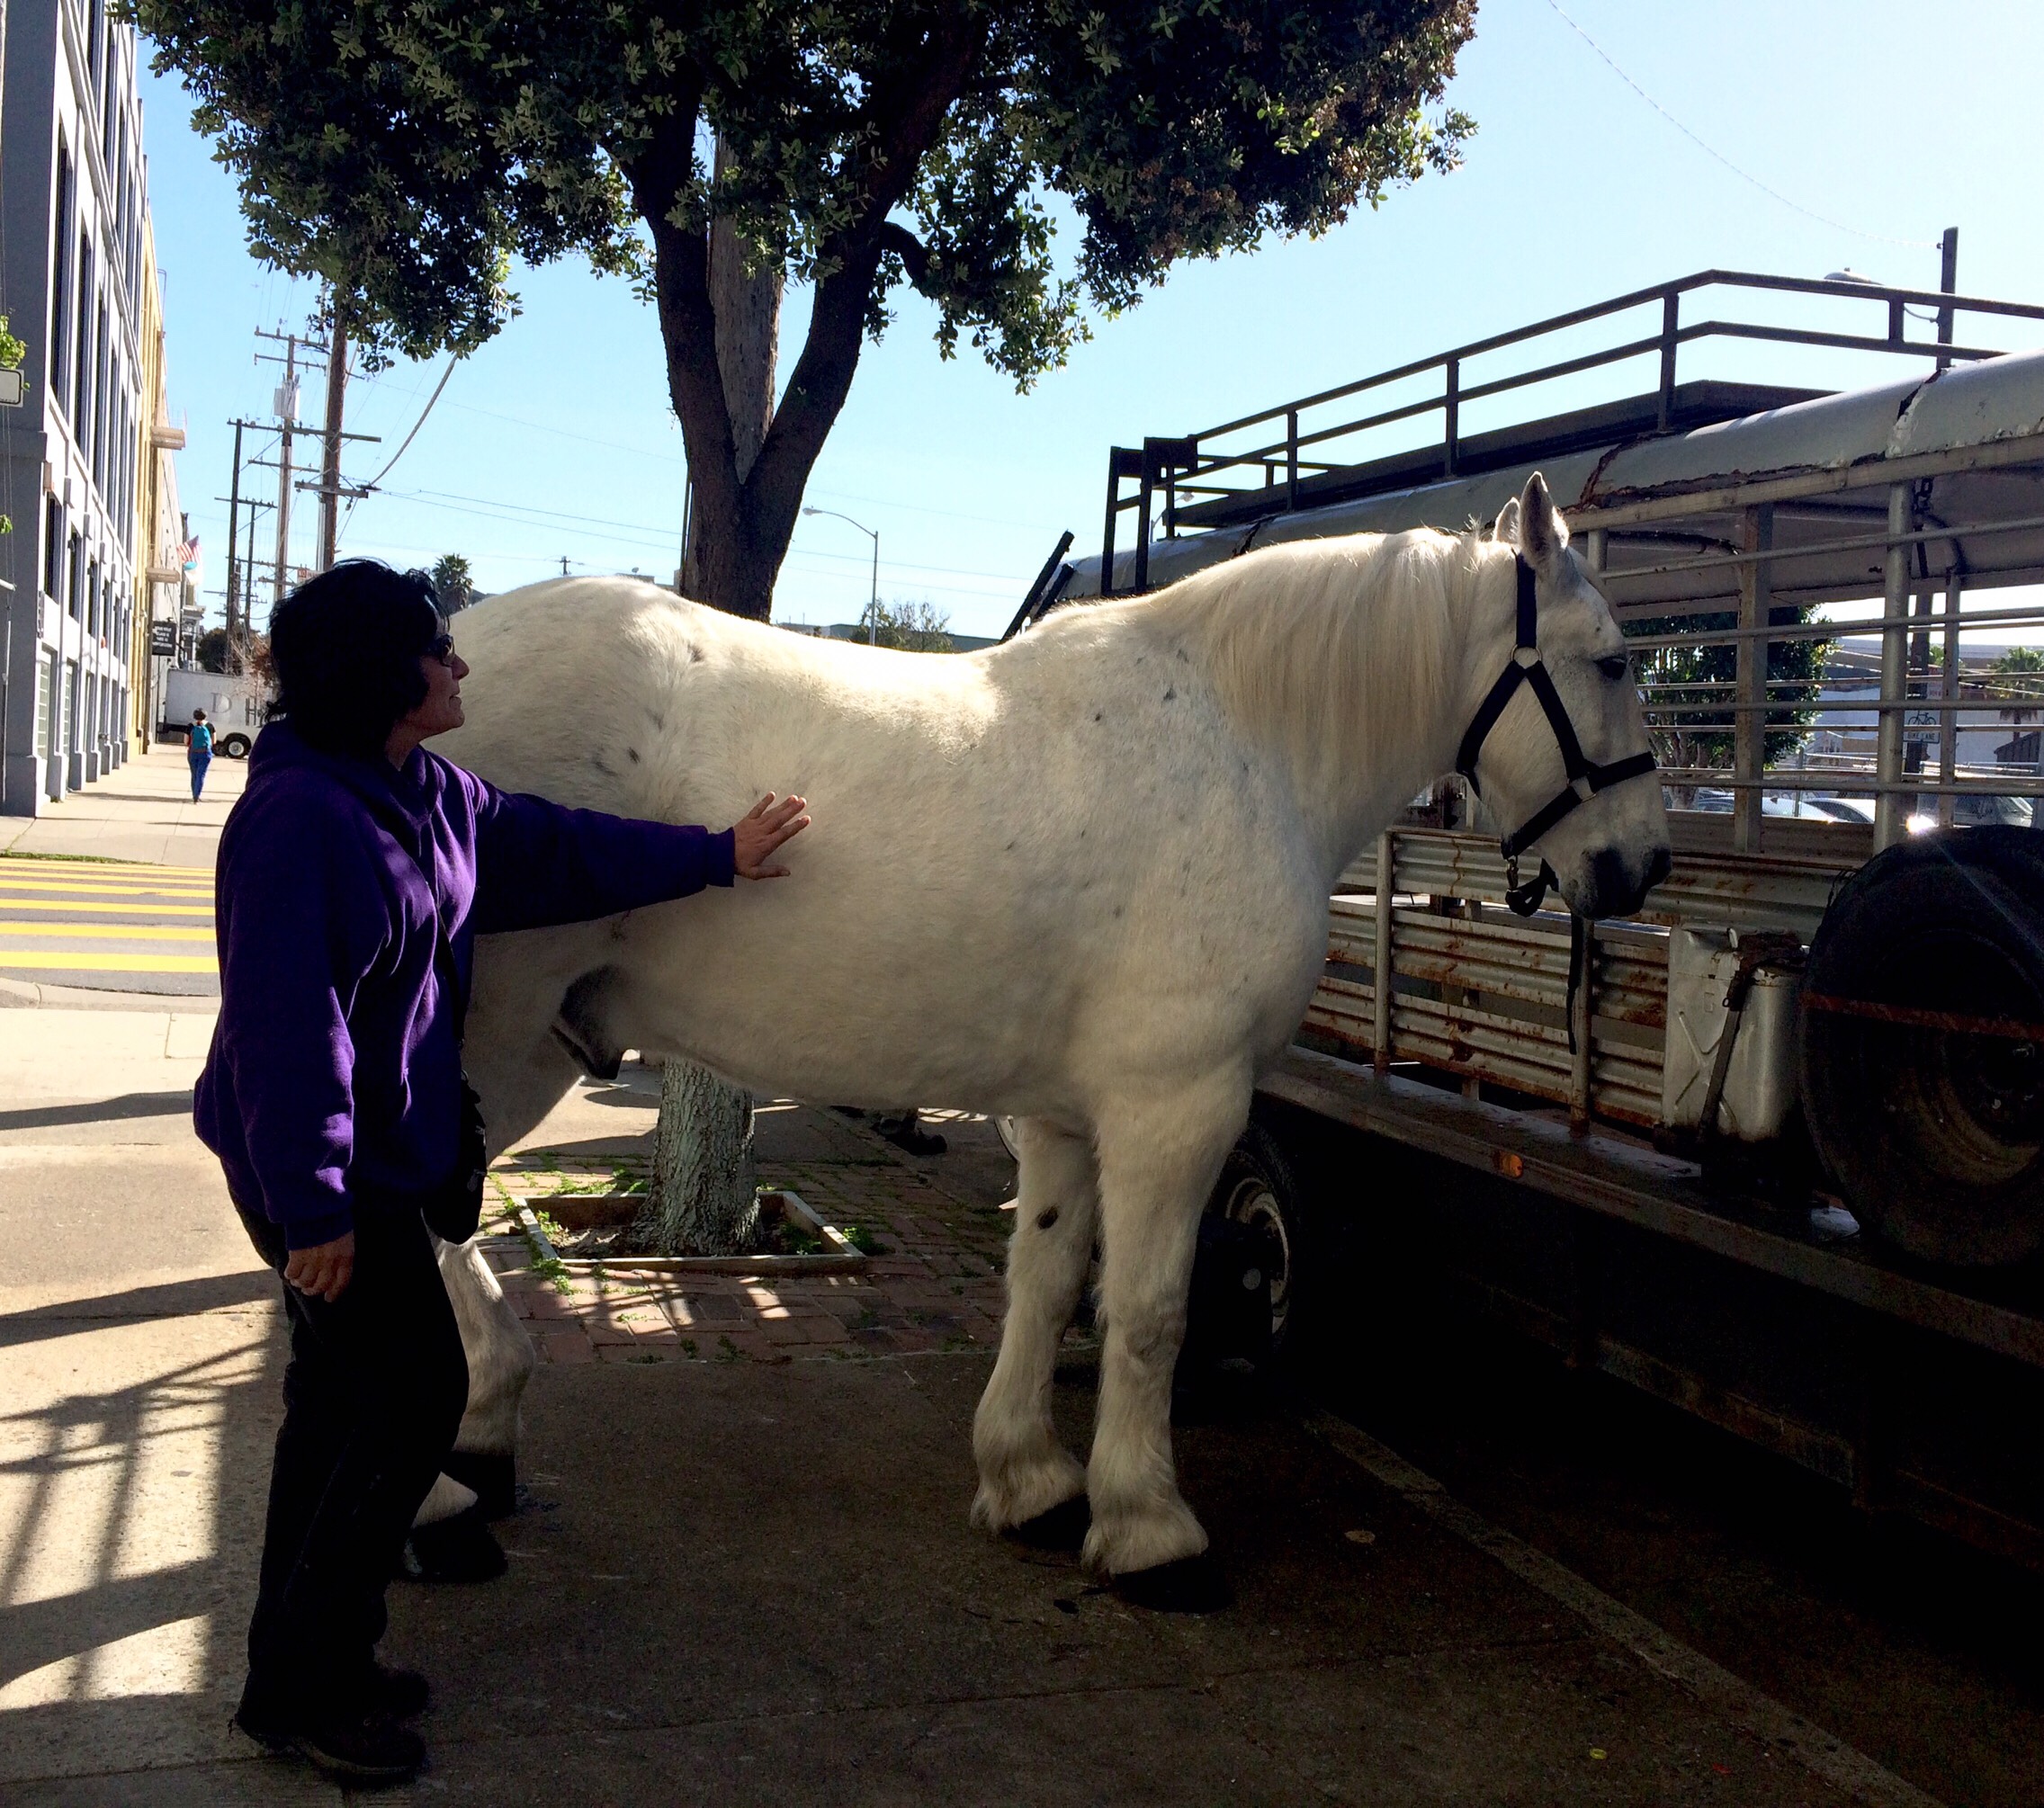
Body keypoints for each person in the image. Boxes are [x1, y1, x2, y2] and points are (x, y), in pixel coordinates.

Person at [194, 560, 810, 1784]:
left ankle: (303, 1668)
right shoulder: (299, 818)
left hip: (378, 1163)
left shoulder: (420, 787)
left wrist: (713, 856)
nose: (461, 662)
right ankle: (307, 1685)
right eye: (440, 647)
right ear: (385, 674)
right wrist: (316, 1207)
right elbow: (286, 1027)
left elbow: (550, 848)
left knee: (336, 1416)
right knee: (408, 1402)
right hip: (318, 1175)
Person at [187, 708, 214, 800]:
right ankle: (197, 795)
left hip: (193, 752)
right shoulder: (210, 726)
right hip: (205, 753)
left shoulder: (190, 726)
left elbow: (185, 741)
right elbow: (213, 741)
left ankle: (193, 793)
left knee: (194, 774)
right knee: (201, 774)